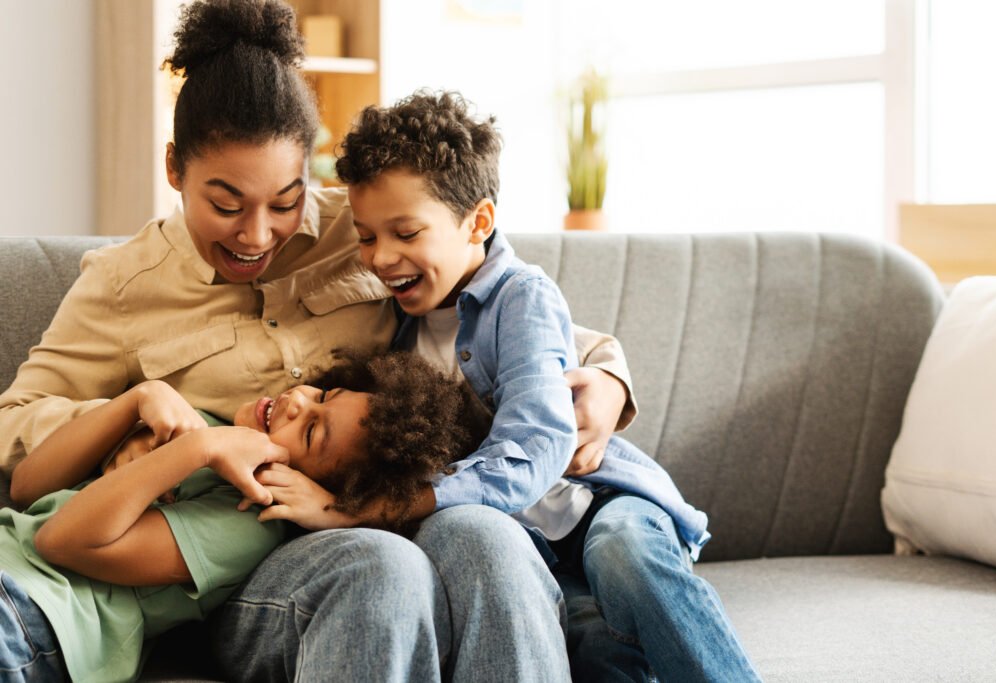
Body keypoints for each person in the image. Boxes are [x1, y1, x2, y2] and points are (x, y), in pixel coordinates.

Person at [0, 1, 635, 680]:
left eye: (284, 200)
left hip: (361, 521)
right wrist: (136, 419)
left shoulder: (363, 229)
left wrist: (607, 375)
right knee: (380, 565)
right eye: (225, 204)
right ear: (174, 169)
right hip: (234, 557)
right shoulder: (121, 285)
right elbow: (16, 425)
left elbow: (498, 306)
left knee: (482, 538)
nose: (256, 235)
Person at [332, 90, 763, 682]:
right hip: (534, 544)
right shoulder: (394, 330)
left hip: (597, 504)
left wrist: (412, 500)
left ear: (478, 222)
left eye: (406, 232)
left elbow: (537, 445)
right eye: (365, 235)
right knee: (590, 642)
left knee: (625, 557)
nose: (381, 257)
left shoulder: (521, 297)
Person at [2, 351, 479, 683]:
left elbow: (60, 542)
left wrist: (197, 449)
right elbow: (26, 487)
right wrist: (137, 399)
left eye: (310, 432)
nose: (297, 401)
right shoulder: (207, 429)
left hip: (34, 615)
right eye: (324, 394)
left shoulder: (247, 521)